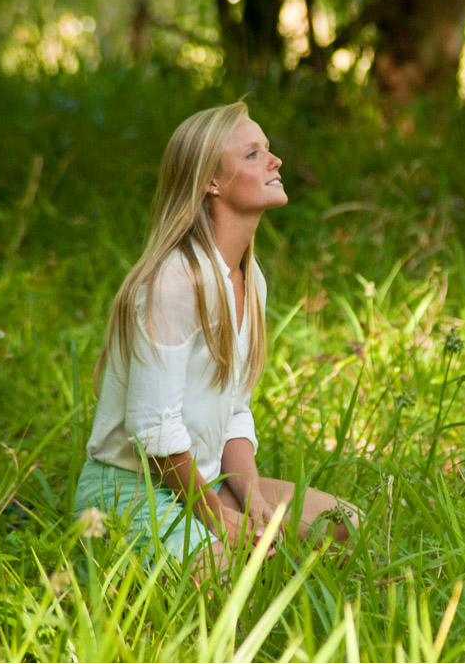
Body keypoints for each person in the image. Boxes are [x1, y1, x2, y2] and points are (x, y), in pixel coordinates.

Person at [73, 100, 359, 580]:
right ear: (211, 182)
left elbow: (234, 411)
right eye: (252, 155)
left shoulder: (250, 280)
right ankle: (120, 565)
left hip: (200, 480)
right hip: (128, 490)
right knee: (223, 578)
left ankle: (252, 563)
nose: (275, 161)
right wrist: (218, 518)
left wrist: (249, 499)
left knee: (342, 525)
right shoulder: (173, 282)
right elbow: (153, 434)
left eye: (268, 150)